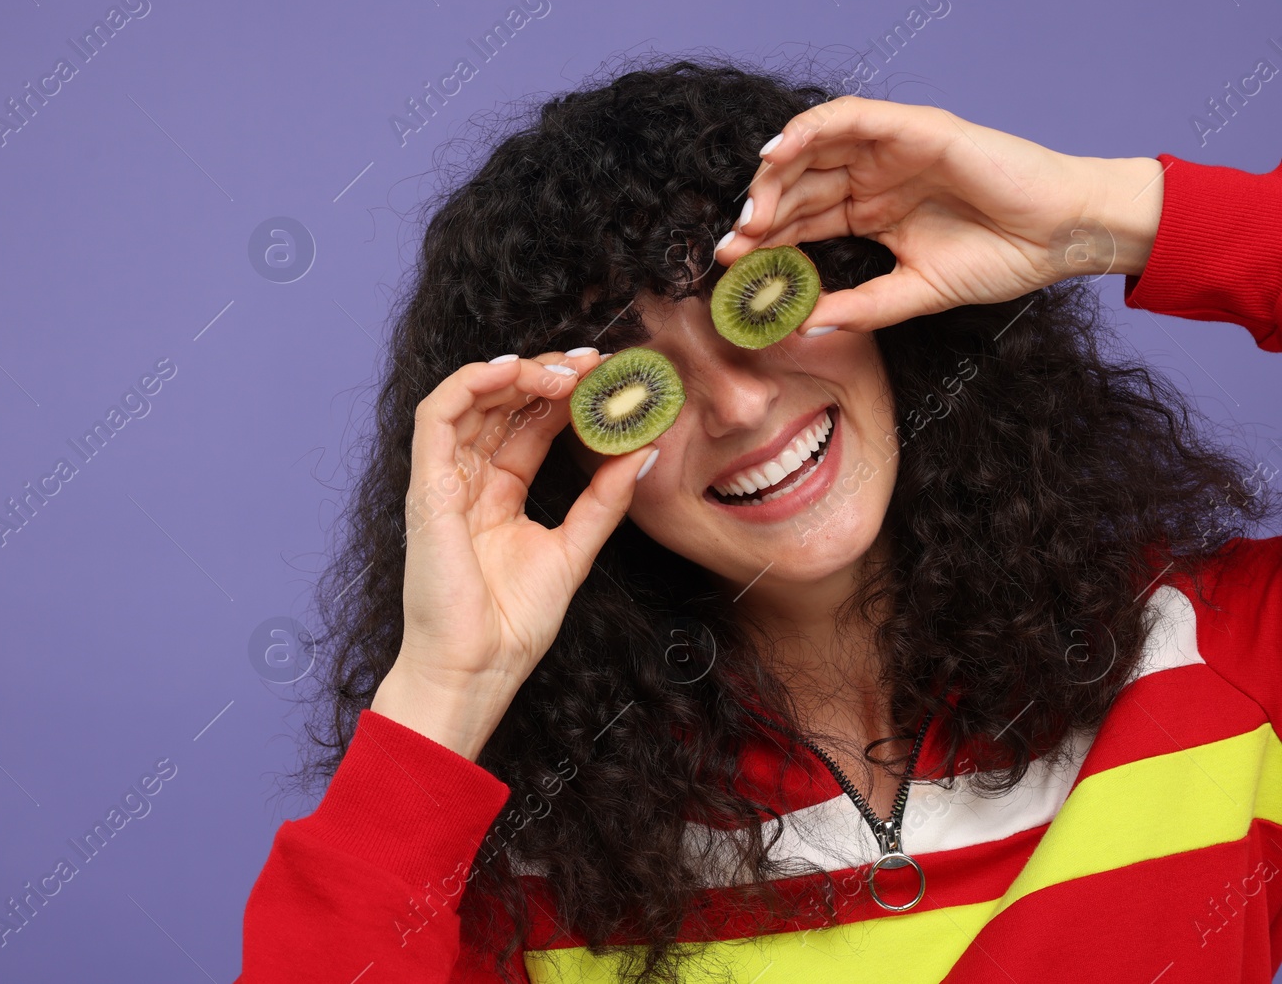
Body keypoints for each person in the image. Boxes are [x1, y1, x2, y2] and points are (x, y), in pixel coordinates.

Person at [237, 59, 1282, 983]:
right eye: (634, 376)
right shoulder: (531, 865)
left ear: (879, 294)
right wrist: (444, 689)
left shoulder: (1207, 658)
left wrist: (1104, 214)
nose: (736, 407)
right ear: (559, 453)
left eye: (755, 300)